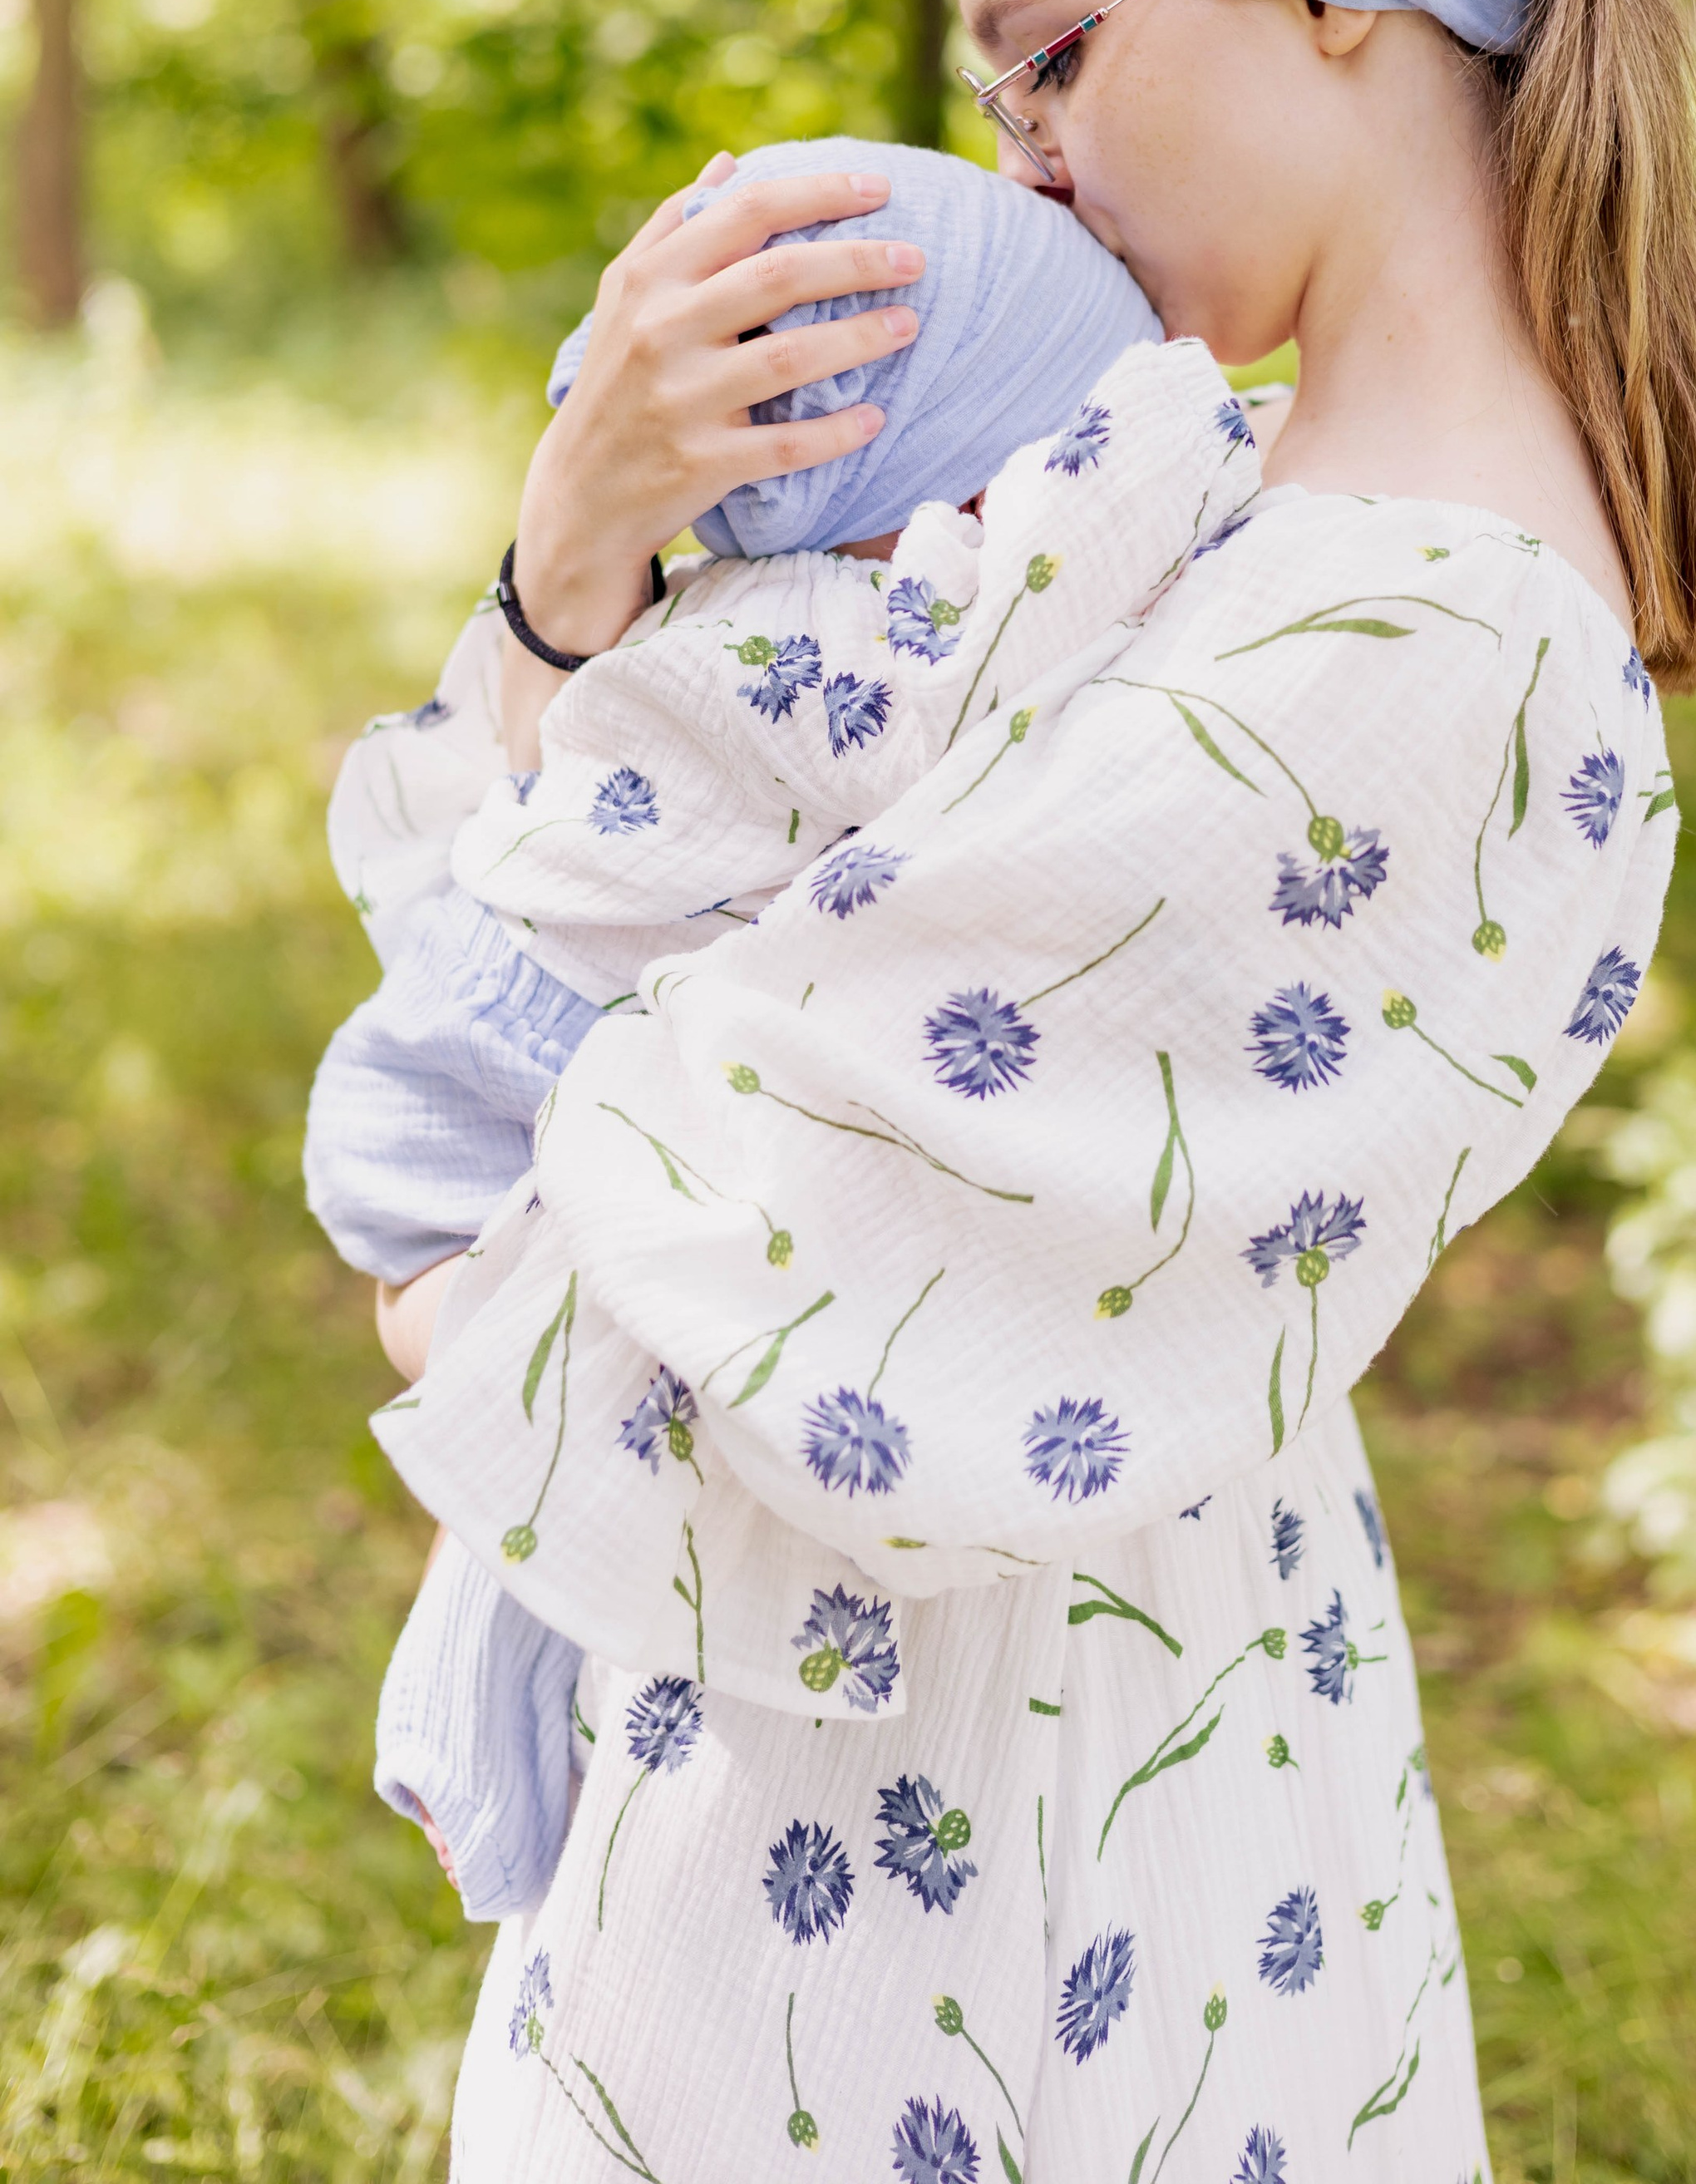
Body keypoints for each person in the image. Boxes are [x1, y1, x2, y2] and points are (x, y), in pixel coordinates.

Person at [370, 0, 1696, 2182]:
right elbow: (671, 901)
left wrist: (457, 1205)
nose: (1021, 160)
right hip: (946, 1772)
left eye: (1058, 57)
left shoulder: (1421, 638)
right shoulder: (1214, 511)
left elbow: (739, 1242)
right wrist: (573, 573)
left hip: (977, 1856)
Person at [307, 142, 1215, 1912]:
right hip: (509, 1100)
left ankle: (473, 1725)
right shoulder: (835, 656)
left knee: (528, 1552)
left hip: (583, 1192)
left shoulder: (752, 629)